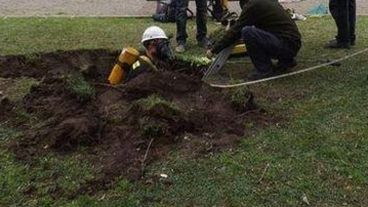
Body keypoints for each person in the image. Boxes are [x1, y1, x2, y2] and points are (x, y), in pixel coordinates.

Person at [207, 0, 302, 81]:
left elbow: (236, 31)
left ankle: (264, 70)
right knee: (265, 30)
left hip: (285, 44)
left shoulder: (253, 5)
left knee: (247, 32)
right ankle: (286, 61)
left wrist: (213, 50)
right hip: (293, 43)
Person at [108, 26, 174, 84]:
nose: (164, 48)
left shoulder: (153, 62)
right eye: (161, 44)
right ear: (151, 45)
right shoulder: (143, 65)